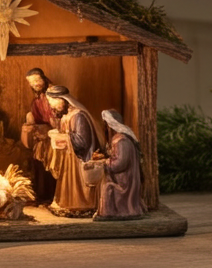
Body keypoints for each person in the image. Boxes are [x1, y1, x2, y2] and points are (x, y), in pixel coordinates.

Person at [45, 85, 105, 214]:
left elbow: (82, 141)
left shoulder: (78, 116)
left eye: (53, 102)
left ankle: (82, 205)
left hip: (78, 160)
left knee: (77, 185)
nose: (52, 106)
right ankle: (67, 203)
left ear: (62, 100)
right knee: (67, 182)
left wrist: (62, 137)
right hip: (68, 158)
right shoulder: (66, 116)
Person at [95, 109, 145, 220]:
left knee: (107, 188)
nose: (106, 129)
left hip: (124, 182)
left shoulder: (122, 141)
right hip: (120, 179)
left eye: (107, 125)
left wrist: (106, 163)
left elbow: (120, 163)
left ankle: (112, 213)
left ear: (111, 125)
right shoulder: (118, 139)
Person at [21, 67, 57, 202]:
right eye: (31, 82)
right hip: (42, 139)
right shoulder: (36, 101)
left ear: (43, 78)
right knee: (38, 164)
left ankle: (51, 195)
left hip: (52, 139)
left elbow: (56, 122)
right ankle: (42, 195)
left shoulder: (52, 96)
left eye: (37, 80)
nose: (35, 84)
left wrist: (41, 128)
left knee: (50, 167)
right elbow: (35, 117)